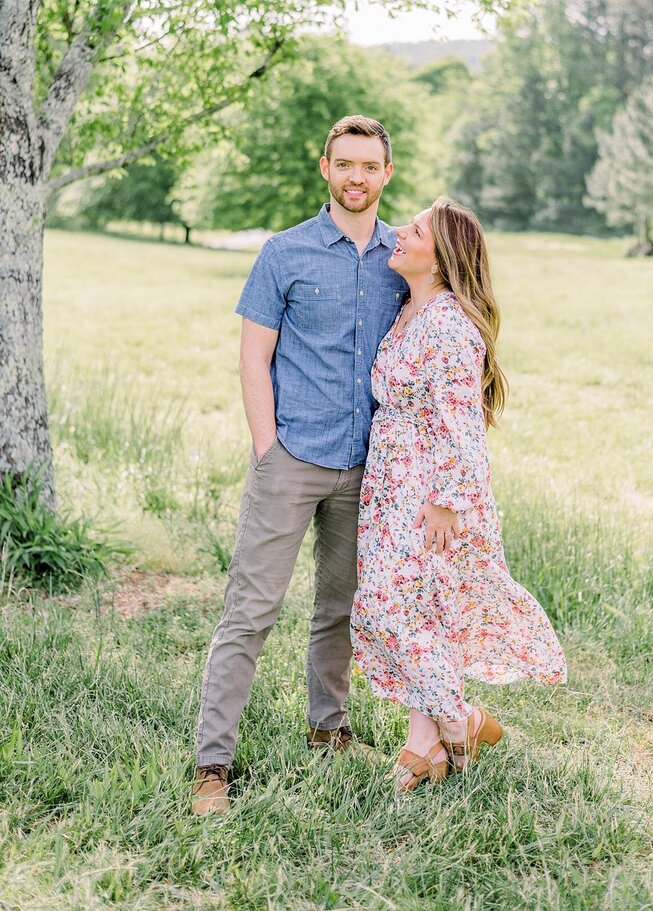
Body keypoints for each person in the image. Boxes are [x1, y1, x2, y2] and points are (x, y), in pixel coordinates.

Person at [192, 116, 407, 815]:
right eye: (344, 163)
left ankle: (329, 727)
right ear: (324, 168)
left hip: (365, 468)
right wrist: (267, 450)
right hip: (291, 459)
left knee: (339, 608)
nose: (355, 176)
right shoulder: (284, 253)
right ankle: (211, 766)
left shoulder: (404, 258)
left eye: (368, 166)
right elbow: (253, 356)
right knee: (250, 611)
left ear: (386, 174)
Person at [350, 197, 566, 791]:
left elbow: (460, 423)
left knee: (387, 608)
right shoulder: (407, 313)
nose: (399, 231)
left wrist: (446, 499)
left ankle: (449, 722)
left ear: (440, 259)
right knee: (415, 613)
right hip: (388, 487)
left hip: (428, 493)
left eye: (415, 230)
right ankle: (449, 729)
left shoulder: (448, 324)